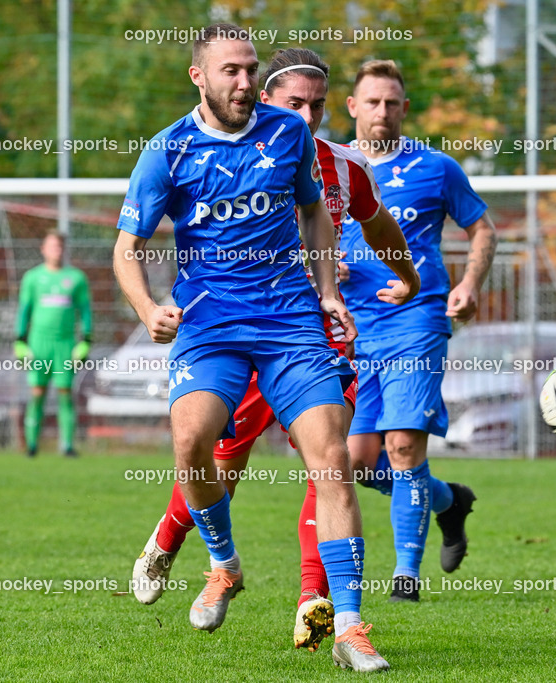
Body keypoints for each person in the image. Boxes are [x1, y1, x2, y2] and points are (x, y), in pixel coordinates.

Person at [114, 26, 397, 672]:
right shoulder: (168, 150)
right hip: (210, 324)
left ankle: (349, 624)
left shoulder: (288, 134)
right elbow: (126, 250)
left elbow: (315, 212)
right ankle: (224, 562)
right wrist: (149, 308)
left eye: (249, 69)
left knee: (331, 459)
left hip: (290, 321)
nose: (244, 83)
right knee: (194, 443)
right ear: (199, 77)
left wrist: (327, 289)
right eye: (231, 72)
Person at [340, 60, 498, 601]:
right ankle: (449, 501)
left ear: (404, 109)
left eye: (392, 102)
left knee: (404, 444)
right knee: (357, 461)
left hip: (418, 318)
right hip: (351, 328)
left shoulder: (436, 167)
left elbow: (482, 229)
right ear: (352, 107)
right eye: (372, 101)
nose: (382, 111)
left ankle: (405, 575)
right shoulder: (325, 168)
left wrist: (471, 283)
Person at [15, 230, 92, 457]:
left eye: (58, 246)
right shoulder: (32, 277)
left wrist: (86, 340)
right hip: (39, 343)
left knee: (65, 393)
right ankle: (31, 445)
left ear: (63, 249)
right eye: (51, 246)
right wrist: (20, 340)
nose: (55, 250)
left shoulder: (76, 278)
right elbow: (24, 310)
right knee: (37, 393)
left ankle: (67, 446)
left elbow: (85, 310)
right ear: (43, 249)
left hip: (65, 343)